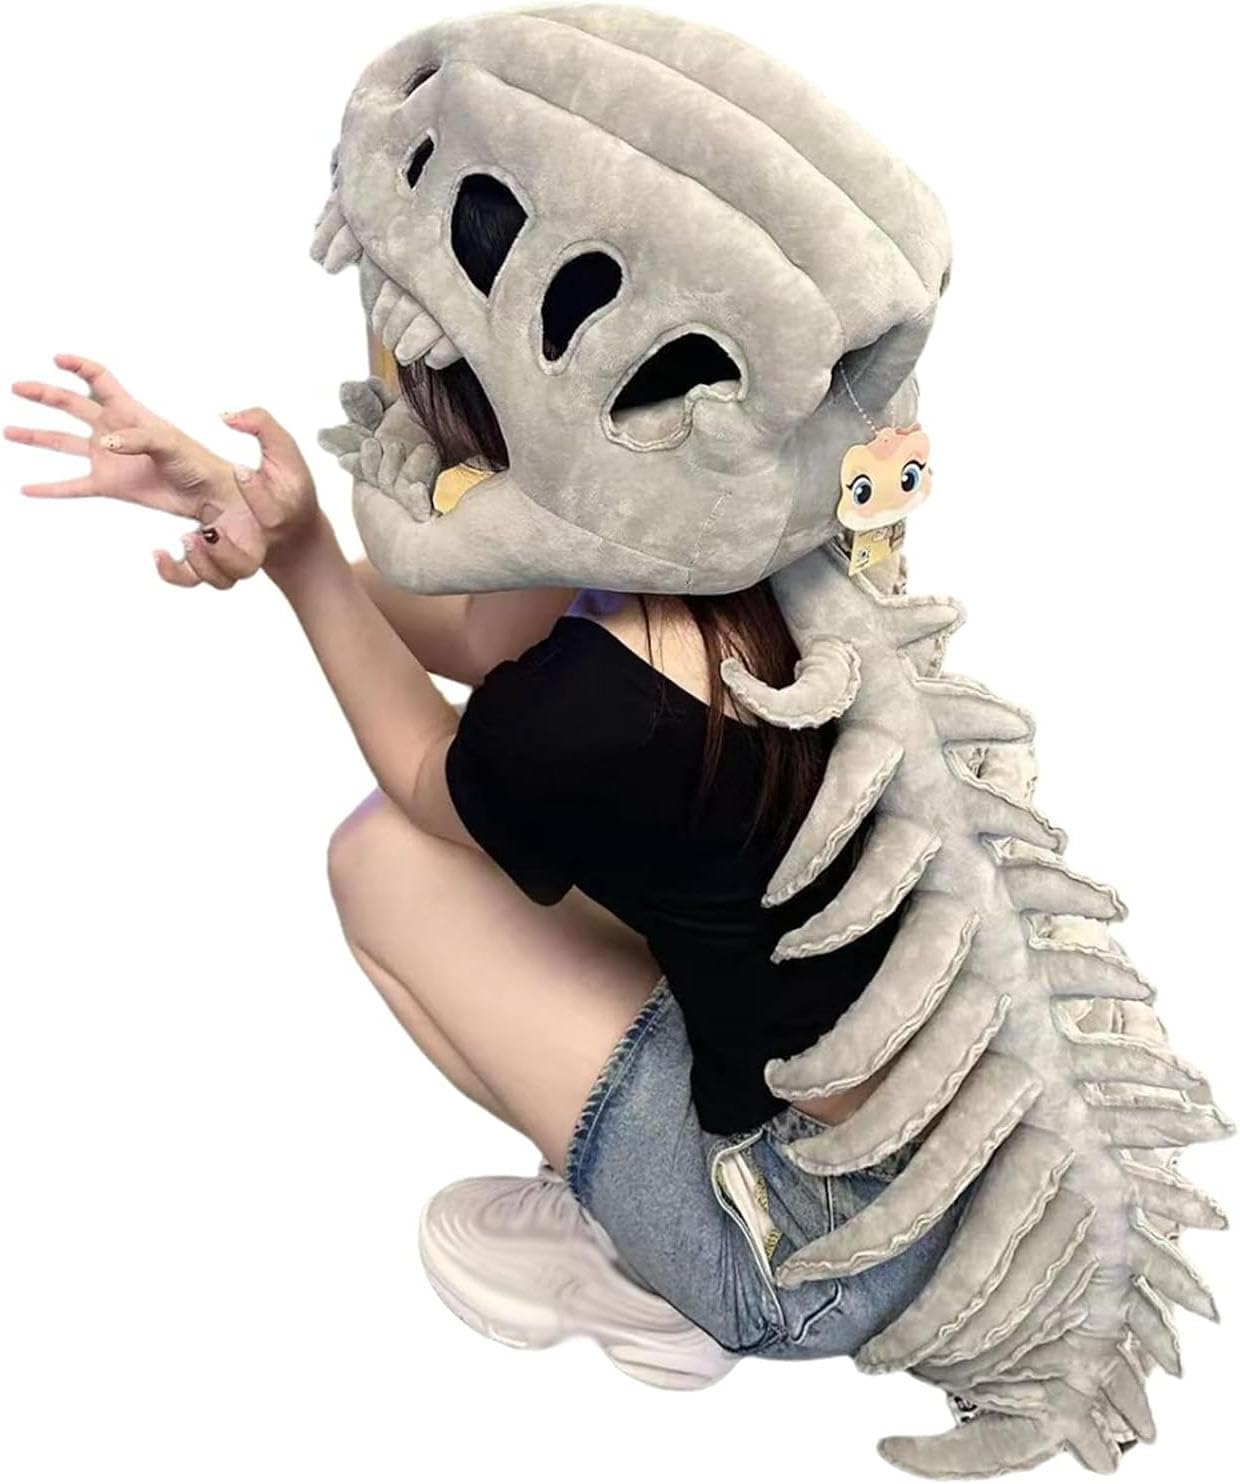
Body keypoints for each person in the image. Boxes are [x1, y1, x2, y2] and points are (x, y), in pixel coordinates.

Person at [4, 35, 967, 1405]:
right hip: (934, 1148)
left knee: (381, 865)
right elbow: (478, 635)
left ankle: (658, 1270)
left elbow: (429, 772)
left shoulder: (586, 713)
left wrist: (300, 563)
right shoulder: (773, 544)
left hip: (808, 1252)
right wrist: (274, 520)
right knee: (586, 855)